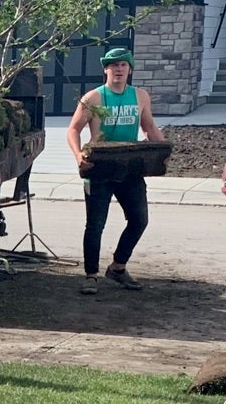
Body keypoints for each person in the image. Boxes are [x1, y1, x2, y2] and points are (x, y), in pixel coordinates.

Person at [68, 45, 166, 295]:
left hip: (130, 168)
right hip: (98, 167)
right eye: (113, 65)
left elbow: (150, 128)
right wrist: (78, 155)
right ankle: (91, 275)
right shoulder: (93, 98)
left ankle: (118, 267)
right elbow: (73, 129)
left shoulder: (140, 96)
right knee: (95, 225)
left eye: (123, 64)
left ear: (129, 69)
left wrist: (163, 150)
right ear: (105, 69)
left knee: (139, 220)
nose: (118, 69)